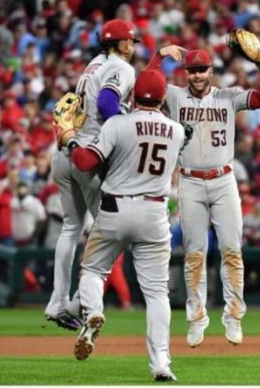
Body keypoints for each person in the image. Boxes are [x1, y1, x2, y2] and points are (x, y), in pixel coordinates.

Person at [43, 19, 183, 330]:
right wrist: (128, 121)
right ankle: (83, 304)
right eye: (129, 42)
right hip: (90, 156)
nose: (132, 46)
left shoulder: (93, 63)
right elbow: (108, 102)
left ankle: (57, 303)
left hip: (66, 149)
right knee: (112, 233)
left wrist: (157, 58)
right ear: (118, 44)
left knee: (71, 228)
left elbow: (140, 84)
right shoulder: (122, 67)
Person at [146, 46, 260, 347]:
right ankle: (196, 318)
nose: (197, 75)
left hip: (223, 179)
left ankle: (233, 317)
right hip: (190, 180)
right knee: (194, 253)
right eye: (192, 70)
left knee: (231, 249)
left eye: (202, 69)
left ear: (211, 72)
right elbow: (147, 85)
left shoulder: (227, 97)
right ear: (185, 72)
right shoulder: (176, 96)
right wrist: (159, 55)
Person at [68, 69, 184, 381]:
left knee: (92, 270)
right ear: (162, 98)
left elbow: (84, 162)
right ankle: (161, 363)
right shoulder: (176, 130)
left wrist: (69, 139)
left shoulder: (117, 124)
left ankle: (92, 312)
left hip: (115, 207)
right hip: (155, 212)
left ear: (132, 95)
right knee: (158, 293)